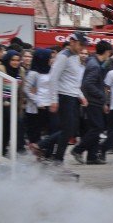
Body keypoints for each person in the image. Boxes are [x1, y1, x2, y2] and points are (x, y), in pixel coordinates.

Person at [38, 32, 89, 165]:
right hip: (64, 96)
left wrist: (81, 96)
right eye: (80, 44)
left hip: (72, 96)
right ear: (72, 41)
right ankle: (56, 158)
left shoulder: (75, 57)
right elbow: (53, 78)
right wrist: (53, 99)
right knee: (67, 130)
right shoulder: (63, 57)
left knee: (71, 130)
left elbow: (74, 80)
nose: (82, 48)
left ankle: (45, 148)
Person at [71, 40, 113, 164]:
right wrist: (102, 95)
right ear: (106, 52)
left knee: (94, 128)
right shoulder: (94, 65)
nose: (109, 55)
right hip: (93, 101)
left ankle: (92, 156)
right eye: (109, 53)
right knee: (97, 128)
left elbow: (101, 69)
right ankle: (78, 150)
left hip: (94, 101)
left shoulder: (94, 62)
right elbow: (88, 84)